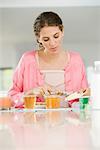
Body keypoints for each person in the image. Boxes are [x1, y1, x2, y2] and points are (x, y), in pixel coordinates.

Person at [8, 11, 90, 107]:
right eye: (46, 39)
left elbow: (85, 102)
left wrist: (88, 95)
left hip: (71, 121)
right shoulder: (27, 60)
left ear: (62, 31)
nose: (52, 43)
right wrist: (30, 93)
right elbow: (10, 99)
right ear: (38, 38)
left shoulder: (76, 60)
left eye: (56, 36)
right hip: (34, 122)